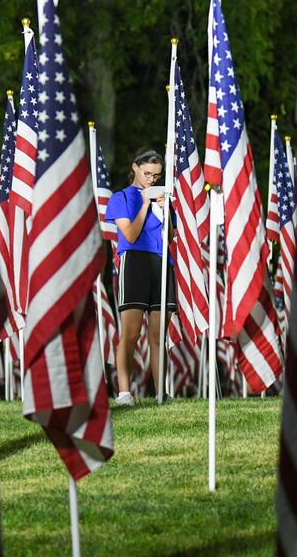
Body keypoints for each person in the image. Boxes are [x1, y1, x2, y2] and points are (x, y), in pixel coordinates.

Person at [104, 147, 175, 406]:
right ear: (135, 167)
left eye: (156, 176)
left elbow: (171, 236)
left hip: (161, 263)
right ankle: (124, 393)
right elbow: (131, 236)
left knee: (159, 335)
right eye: (147, 173)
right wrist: (145, 204)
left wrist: (164, 210)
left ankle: (160, 394)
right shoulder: (121, 198)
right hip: (134, 263)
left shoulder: (163, 198)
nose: (151, 180)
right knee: (131, 333)